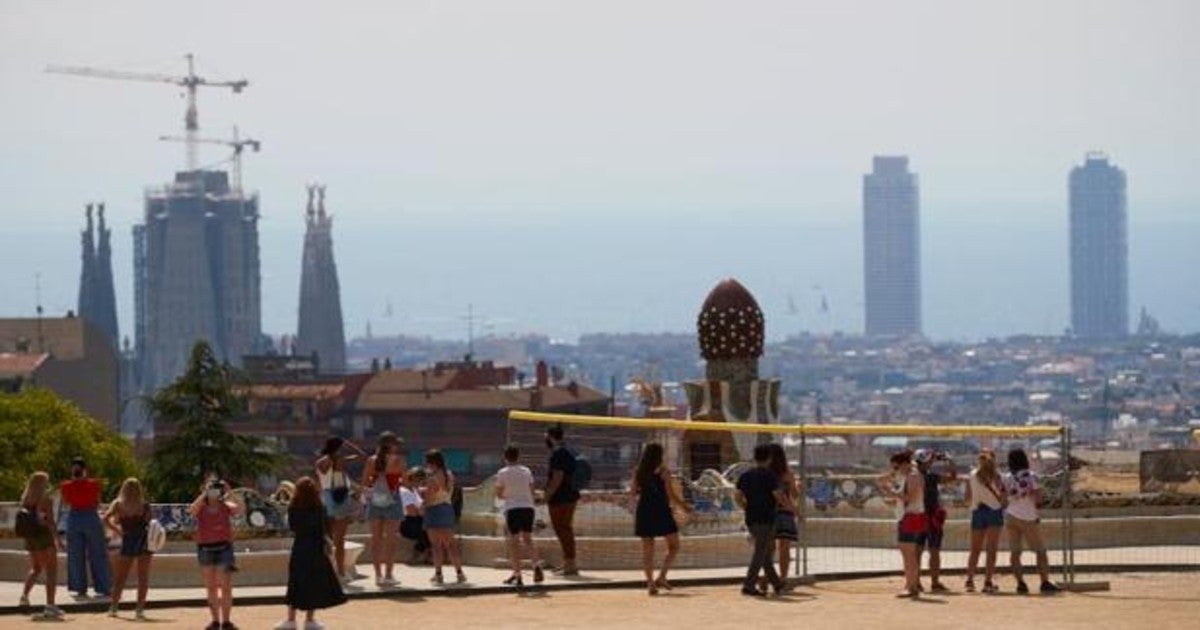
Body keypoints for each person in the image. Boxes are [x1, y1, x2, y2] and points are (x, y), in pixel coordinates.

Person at [274, 477, 347, 630]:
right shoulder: (320, 508)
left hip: (300, 549)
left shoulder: (294, 508)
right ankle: (310, 620)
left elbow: (293, 527)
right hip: (316, 550)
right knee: (314, 585)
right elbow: (325, 529)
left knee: (295, 583)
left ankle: (291, 620)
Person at [631, 442, 691, 595]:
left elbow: (632, 493)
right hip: (661, 511)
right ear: (659, 455)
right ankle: (662, 576)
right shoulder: (664, 472)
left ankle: (650, 584)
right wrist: (684, 506)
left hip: (644, 510)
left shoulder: (639, 471)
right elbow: (670, 495)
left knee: (647, 550)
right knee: (674, 545)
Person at [1003, 448, 1061, 595]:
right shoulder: (1030, 476)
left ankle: (1020, 583)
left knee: (1015, 552)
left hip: (1011, 515)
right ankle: (1044, 582)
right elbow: (1038, 497)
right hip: (1028, 517)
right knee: (1040, 551)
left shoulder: (1007, 477)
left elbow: (1003, 496)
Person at [735, 443, 790, 597]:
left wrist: (745, 506)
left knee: (764, 553)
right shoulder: (770, 476)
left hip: (751, 518)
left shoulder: (745, 475)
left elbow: (737, 496)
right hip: (766, 518)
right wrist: (788, 507)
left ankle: (777, 584)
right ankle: (749, 585)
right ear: (769, 458)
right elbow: (778, 495)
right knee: (760, 553)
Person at [189, 477, 244, 630]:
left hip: (224, 548)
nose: (213, 491)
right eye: (210, 488)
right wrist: (204, 494)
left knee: (225, 586)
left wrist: (229, 491)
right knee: (211, 586)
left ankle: (226, 621)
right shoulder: (201, 506)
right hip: (205, 549)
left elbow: (240, 509)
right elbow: (192, 511)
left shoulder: (226, 505)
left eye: (215, 488)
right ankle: (215, 621)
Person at [60, 456, 111, 600]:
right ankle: (103, 587)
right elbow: (97, 501)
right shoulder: (94, 484)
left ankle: (79, 587)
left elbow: (66, 502)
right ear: (84, 469)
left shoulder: (65, 485)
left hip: (74, 517)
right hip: (90, 516)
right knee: (98, 554)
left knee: (76, 554)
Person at [102, 477, 153, 619]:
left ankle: (113, 607)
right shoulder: (144, 505)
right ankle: (139, 609)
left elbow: (105, 519)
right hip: (143, 540)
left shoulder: (118, 504)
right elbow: (151, 523)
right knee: (142, 577)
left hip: (128, 538)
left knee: (120, 577)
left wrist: (118, 531)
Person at [878, 450, 926, 598]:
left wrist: (891, 491)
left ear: (904, 464)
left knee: (909, 555)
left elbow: (909, 498)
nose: (895, 470)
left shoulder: (913, 476)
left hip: (910, 517)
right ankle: (912, 585)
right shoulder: (908, 475)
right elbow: (881, 479)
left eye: (896, 467)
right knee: (909, 554)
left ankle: (910, 587)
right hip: (909, 516)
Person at [315, 436, 363, 581]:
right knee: (337, 540)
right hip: (336, 498)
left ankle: (334, 571)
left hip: (331, 498)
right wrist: (346, 446)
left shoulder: (331, 461)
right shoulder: (331, 461)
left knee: (332, 538)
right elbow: (361, 456)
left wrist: (346, 444)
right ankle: (340, 572)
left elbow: (361, 456)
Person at [495, 445, 544, 587]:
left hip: (513, 508)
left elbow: (498, 493)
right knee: (528, 539)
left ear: (505, 457)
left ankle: (517, 575)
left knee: (514, 543)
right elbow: (532, 490)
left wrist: (509, 495)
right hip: (528, 508)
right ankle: (536, 565)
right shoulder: (526, 471)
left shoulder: (502, 472)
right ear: (518, 456)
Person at [18, 472, 64, 619]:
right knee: (51, 571)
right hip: (43, 536)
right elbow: (50, 521)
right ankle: (50, 606)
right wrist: (58, 539)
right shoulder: (45, 499)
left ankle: (24, 596)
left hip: (30, 538)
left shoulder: (25, 498)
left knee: (36, 568)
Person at [361, 431, 404, 587]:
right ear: (391, 445)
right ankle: (388, 575)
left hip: (375, 501)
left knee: (376, 540)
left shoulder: (372, 460)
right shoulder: (398, 460)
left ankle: (378, 575)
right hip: (392, 500)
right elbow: (403, 481)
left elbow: (365, 482)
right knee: (391, 541)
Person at [914, 449, 956, 593]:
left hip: (918, 515)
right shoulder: (931, 477)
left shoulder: (913, 476)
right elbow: (952, 477)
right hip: (932, 517)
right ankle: (935, 582)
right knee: (934, 551)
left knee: (917, 551)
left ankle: (916, 581)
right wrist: (949, 460)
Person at [423, 449, 466, 585]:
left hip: (435, 510)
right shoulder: (449, 474)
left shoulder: (432, 477)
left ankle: (438, 574)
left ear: (431, 462)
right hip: (447, 508)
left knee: (436, 545)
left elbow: (430, 498)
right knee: (451, 545)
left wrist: (422, 504)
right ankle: (459, 573)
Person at [964, 449, 1005, 594]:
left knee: (975, 549)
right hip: (994, 511)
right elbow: (1001, 494)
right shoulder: (996, 475)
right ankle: (988, 582)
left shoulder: (972, 475)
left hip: (978, 511)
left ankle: (969, 580)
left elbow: (967, 498)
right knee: (991, 549)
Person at [543, 425, 581, 576]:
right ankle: (568, 563)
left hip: (560, 498)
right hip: (571, 495)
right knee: (566, 529)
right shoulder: (569, 451)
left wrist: (547, 496)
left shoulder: (557, 454)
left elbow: (557, 477)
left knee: (562, 530)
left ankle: (570, 565)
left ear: (551, 437)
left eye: (546, 436)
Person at [766, 443, 799, 585]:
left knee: (769, 548)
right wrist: (797, 486)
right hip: (785, 514)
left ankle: (768, 577)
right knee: (784, 548)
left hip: (767, 513)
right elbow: (795, 495)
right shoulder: (788, 474)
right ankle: (783, 579)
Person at [399, 467, 432, 564]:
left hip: (418, 520)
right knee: (427, 532)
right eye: (420, 480)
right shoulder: (404, 492)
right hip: (408, 523)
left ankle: (426, 555)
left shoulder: (414, 490)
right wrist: (423, 507)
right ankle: (419, 555)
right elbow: (412, 512)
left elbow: (420, 510)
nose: (422, 483)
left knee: (433, 528)